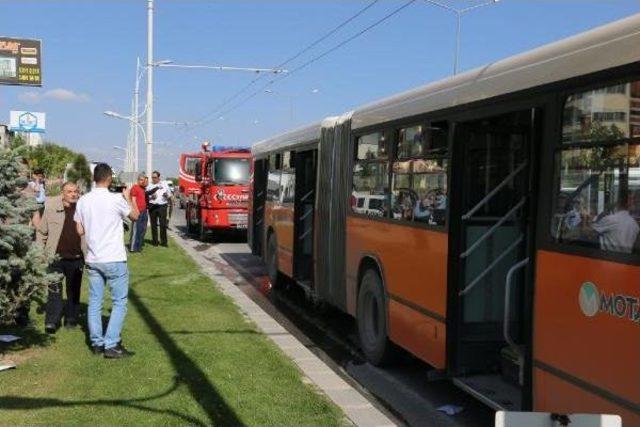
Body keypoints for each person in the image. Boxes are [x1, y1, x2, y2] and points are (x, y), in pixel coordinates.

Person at [74, 163, 139, 358]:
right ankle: (111, 344)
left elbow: (80, 230)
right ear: (109, 178)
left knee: (95, 302)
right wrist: (129, 199)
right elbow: (135, 216)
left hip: (93, 258)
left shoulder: (83, 200)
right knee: (119, 302)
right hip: (114, 257)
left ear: (94, 178)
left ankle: (96, 343)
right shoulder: (116, 199)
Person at [37, 182, 86, 333]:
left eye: (75, 191)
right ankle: (52, 321)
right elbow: (42, 232)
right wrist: (40, 253)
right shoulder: (51, 207)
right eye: (69, 191)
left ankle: (71, 319)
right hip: (55, 258)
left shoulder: (83, 209)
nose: (73, 194)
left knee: (73, 291)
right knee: (54, 290)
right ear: (62, 193)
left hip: (76, 258)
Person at [146, 171, 172, 247]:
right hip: (152, 206)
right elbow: (146, 196)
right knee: (153, 225)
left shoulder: (164, 185)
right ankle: (155, 242)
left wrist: (166, 195)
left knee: (163, 225)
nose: (153, 179)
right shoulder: (149, 186)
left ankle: (164, 242)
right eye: (152, 177)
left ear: (159, 177)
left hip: (162, 206)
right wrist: (151, 197)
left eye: (155, 177)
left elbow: (169, 195)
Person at [129, 174, 148, 253]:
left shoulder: (143, 189)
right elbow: (133, 200)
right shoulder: (135, 187)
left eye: (143, 180)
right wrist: (136, 211)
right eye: (141, 180)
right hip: (138, 212)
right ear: (138, 180)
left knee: (142, 229)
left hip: (144, 211)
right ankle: (133, 248)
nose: (142, 181)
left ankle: (139, 247)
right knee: (136, 230)